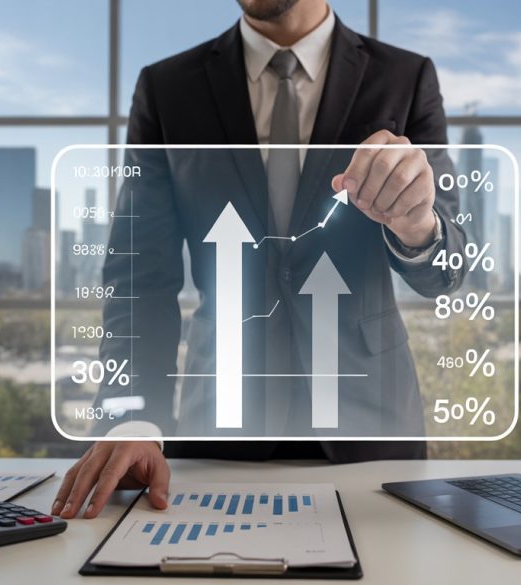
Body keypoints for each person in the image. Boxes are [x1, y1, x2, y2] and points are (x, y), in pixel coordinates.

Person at [53, 0, 467, 520]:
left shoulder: (405, 77)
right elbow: (140, 273)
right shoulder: (167, 87)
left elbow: (449, 267)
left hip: (371, 433)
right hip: (218, 432)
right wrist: (135, 421)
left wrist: (416, 226)